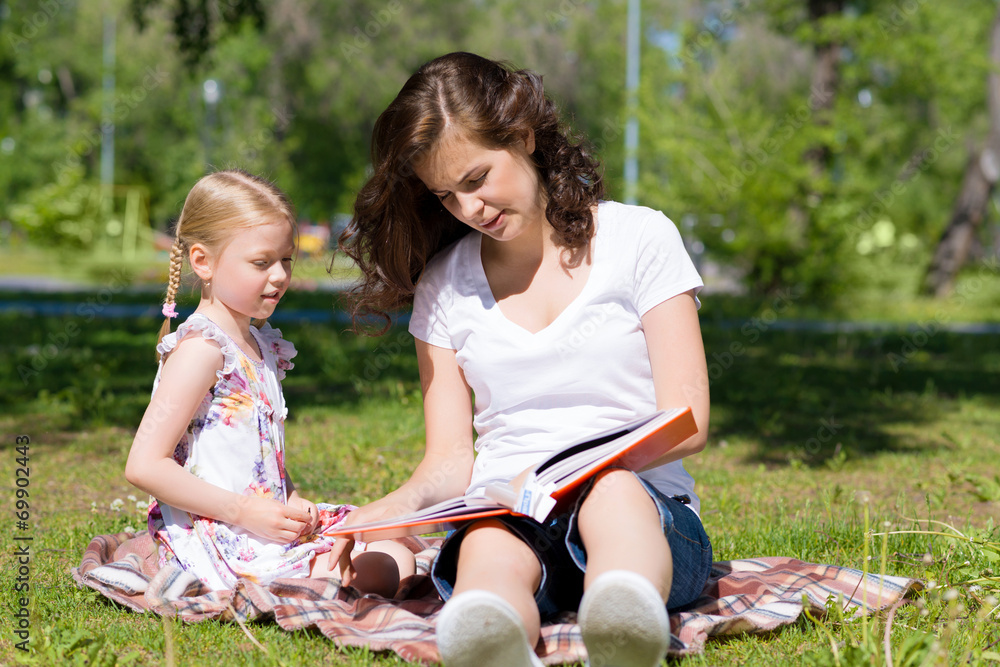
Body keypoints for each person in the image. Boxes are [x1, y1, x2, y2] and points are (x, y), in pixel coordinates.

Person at [337, 52, 712, 667]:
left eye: (478, 178)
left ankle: (624, 617)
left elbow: (688, 418)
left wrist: (567, 479)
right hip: (510, 509)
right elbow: (450, 460)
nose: (469, 209)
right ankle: (491, 634)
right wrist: (391, 510)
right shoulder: (443, 284)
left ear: (523, 137)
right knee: (486, 540)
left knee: (611, 493)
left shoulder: (640, 239)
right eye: (446, 195)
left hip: (646, 511)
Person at [125, 169, 414, 597]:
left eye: (286, 260)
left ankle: (335, 579)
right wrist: (244, 512)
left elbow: (256, 457)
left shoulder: (258, 343)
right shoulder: (202, 350)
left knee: (387, 538)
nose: (279, 275)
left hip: (261, 520)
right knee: (378, 567)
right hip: (221, 530)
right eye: (262, 263)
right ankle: (326, 584)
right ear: (203, 262)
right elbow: (144, 465)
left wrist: (291, 497)